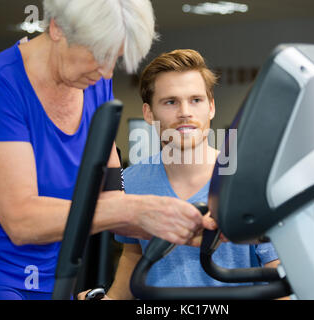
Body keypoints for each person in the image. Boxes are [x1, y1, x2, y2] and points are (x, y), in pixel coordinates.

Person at [0, 0, 215, 300]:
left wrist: (179, 223)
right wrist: (135, 209)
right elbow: (21, 220)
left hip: (54, 268)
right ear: (57, 28)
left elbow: (112, 187)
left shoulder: (95, 82)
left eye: (115, 58)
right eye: (99, 54)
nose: (106, 71)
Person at [79, 49, 281, 300]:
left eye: (195, 100)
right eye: (170, 102)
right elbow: (134, 258)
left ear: (211, 108)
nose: (185, 112)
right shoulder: (130, 182)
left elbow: (277, 273)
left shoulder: (250, 181)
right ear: (148, 113)